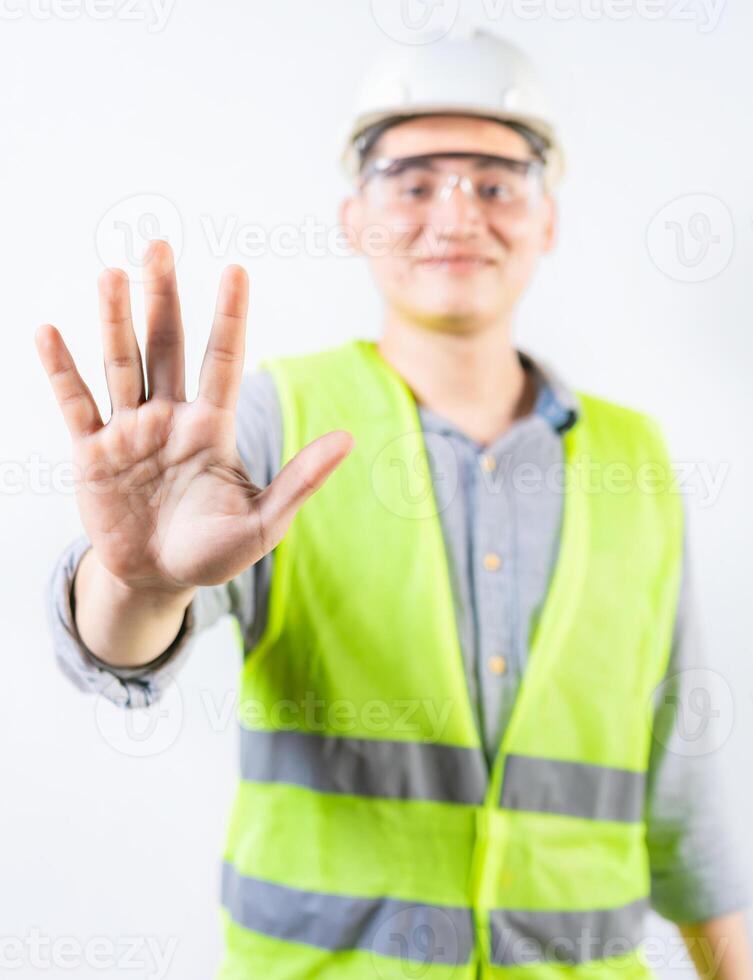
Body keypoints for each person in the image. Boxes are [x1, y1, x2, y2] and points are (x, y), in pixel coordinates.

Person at [37, 29, 752, 980]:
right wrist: (135, 584)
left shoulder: (637, 459)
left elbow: (684, 794)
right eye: (413, 182)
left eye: (495, 183)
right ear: (353, 218)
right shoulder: (268, 424)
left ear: (548, 221)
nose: (455, 212)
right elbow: (117, 653)